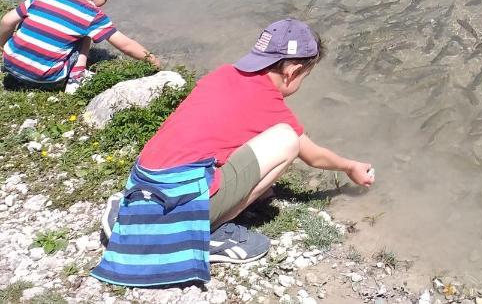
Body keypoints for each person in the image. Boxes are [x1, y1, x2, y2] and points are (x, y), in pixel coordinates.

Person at [92, 19, 373, 288]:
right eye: (305, 77)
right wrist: (350, 167)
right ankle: (211, 231)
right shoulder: (267, 101)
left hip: (144, 186)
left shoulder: (224, 74)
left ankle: (139, 216)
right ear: (292, 71)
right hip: (182, 202)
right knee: (287, 139)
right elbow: (313, 156)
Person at [0, 0, 161, 94]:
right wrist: (152, 60)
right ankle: (77, 76)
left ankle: (19, 55)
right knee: (84, 34)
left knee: (31, 21)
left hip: (9, 65)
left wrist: (4, 45)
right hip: (47, 78)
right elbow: (126, 45)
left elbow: (7, 21)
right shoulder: (91, 14)